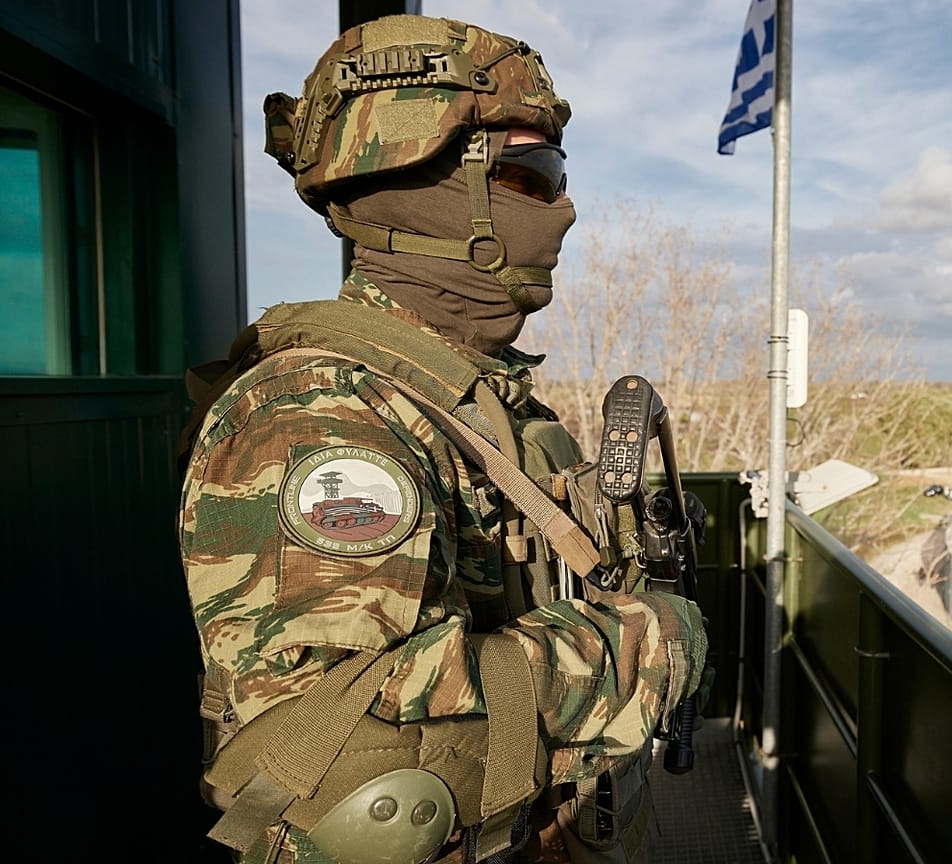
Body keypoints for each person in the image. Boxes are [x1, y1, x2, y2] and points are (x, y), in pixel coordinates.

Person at [178, 14, 706, 864]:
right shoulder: (321, 413)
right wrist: (648, 649)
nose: (564, 206)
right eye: (533, 173)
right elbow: (355, 772)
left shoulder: (462, 393)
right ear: (423, 182)